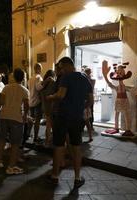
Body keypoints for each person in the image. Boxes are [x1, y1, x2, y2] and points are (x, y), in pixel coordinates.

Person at [47, 57, 93, 189]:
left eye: (61, 67)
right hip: (77, 118)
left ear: (67, 66)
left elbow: (61, 95)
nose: (60, 70)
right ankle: (77, 178)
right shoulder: (85, 78)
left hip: (63, 116)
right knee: (76, 146)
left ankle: (55, 176)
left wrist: (50, 97)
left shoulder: (66, 77)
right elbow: (90, 100)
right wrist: (81, 107)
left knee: (59, 145)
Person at [0, 68, 29, 175]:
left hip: (4, 116)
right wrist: (25, 116)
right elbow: (26, 106)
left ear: (14, 77)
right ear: (23, 78)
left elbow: (1, 101)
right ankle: (11, 166)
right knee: (15, 143)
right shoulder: (24, 90)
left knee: (1, 139)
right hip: (16, 118)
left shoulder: (6, 88)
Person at [102, 60, 134, 136]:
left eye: (121, 72)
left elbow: (130, 89)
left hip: (124, 101)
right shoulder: (118, 87)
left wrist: (132, 89)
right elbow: (110, 84)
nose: (119, 74)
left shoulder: (123, 86)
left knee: (126, 114)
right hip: (119, 101)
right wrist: (105, 76)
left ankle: (128, 129)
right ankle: (116, 128)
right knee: (117, 114)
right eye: (118, 72)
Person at [28, 63, 50, 143]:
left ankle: (27, 134)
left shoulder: (30, 78)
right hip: (37, 101)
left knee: (31, 119)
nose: (41, 70)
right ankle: (36, 137)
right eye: (40, 68)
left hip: (31, 101)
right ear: (38, 69)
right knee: (37, 121)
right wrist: (46, 81)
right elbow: (38, 88)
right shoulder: (38, 77)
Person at [40, 69, 56, 145]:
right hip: (51, 105)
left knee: (49, 123)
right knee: (49, 123)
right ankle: (48, 140)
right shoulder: (52, 82)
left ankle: (49, 139)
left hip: (44, 105)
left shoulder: (43, 83)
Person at [83, 67, 96, 142]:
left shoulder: (91, 80)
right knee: (86, 119)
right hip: (86, 102)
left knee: (87, 118)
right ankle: (90, 135)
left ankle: (90, 134)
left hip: (86, 102)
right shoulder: (88, 81)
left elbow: (92, 87)